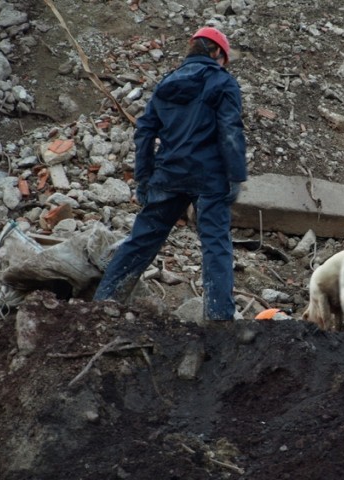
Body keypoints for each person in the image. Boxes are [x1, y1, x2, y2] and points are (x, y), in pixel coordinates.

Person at [94, 27, 247, 323]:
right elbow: (230, 132)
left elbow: (145, 131)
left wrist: (144, 177)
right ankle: (219, 321)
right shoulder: (223, 82)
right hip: (210, 178)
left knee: (142, 239)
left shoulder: (166, 84)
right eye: (223, 59)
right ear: (216, 53)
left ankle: (104, 304)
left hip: (169, 174)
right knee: (215, 243)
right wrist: (235, 176)